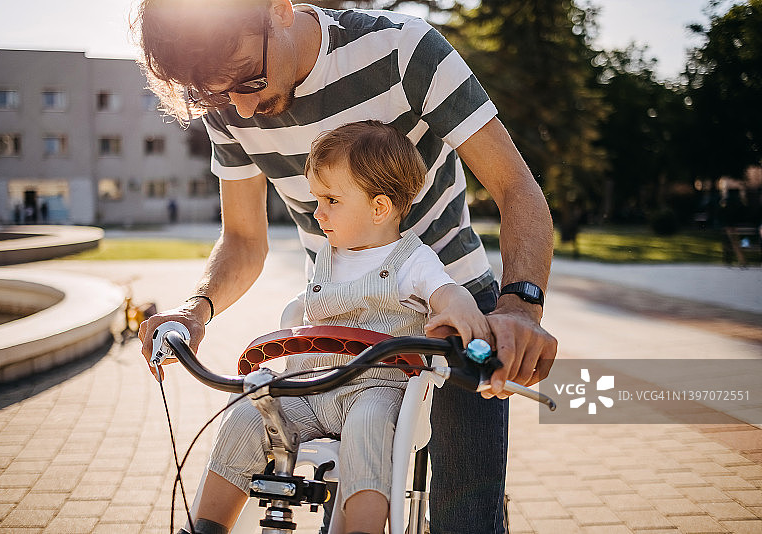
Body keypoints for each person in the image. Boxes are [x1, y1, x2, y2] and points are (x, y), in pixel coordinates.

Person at [134, 1, 558, 532]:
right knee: (262, 422)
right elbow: (243, 241)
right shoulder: (227, 97)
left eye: (249, 78)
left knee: (464, 518)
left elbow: (517, 188)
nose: (242, 108)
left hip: (455, 313)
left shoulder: (403, 50)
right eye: (216, 95)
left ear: (279, 9)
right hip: (339, 322)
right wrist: (195, 311)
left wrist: (519, 308)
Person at [183, 120, 491, 534]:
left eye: (331, 200)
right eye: (317, 198)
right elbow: (302, 313)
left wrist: (462, 308)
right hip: (313, 387)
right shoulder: (327, 257)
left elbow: (445, 292)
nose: (318, 212)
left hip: (376, 389)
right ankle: (206, 527)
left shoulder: (413, 261)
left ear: (379, 208)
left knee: (367, 430)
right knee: (246, 416)